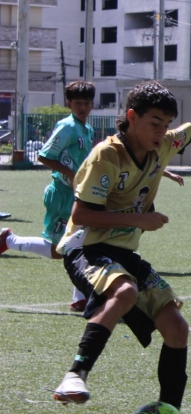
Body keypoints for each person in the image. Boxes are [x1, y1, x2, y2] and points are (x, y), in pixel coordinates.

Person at [50, 44, 191, 414]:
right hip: (86, 248)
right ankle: (75, 374)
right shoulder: (105, 155)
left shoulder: (161, 145)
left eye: (166, 123)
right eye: (153, 122)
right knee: (126, 291)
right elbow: (82, 215)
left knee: (177, 328)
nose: (162, 131)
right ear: (131, 118)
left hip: (122, 253)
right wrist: (140, 219)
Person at [0, 81, 95, 312]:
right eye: (78, 103)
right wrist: (71, 174)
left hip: (77, 195)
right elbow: (44, 156)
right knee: (58, 250)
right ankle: (8, 240)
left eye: (87, 102)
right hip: (61, 196)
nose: (83, 107)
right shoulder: (67, 127)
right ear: (68, 103)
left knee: (84, 241)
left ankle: (80, 297)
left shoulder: (87, 129)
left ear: (92, 104)